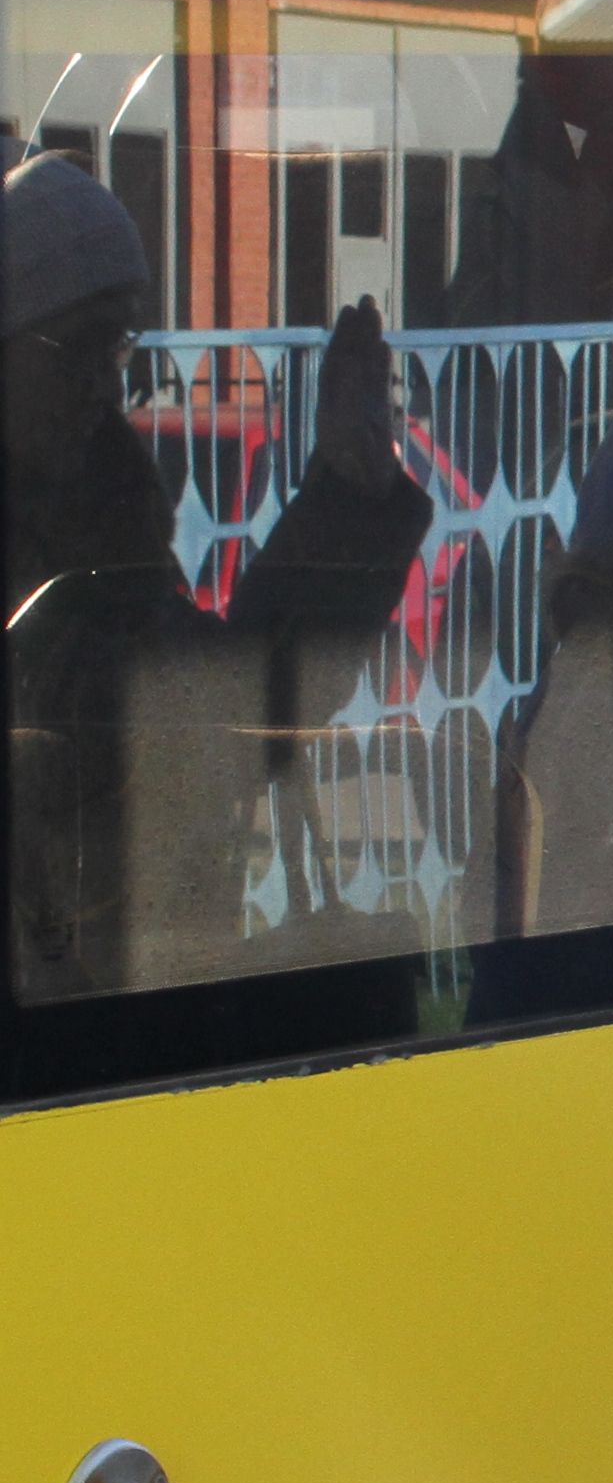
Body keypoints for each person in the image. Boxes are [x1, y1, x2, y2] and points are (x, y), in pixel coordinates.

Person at [3, 151, 429, 1000]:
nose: (103, 381)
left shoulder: (99, 517)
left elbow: (224, 700)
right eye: (75, 345)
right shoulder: (79, 533)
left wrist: (349, 494)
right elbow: (208, 718)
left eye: (118, 345)